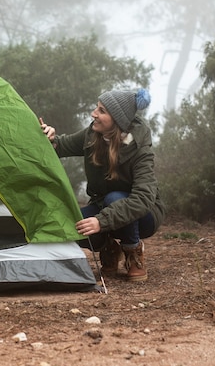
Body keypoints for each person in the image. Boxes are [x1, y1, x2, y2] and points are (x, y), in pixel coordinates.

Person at [40, 88, 166, 281]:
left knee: (114, 198)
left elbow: (142, 199)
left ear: (116, 120)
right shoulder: (92, 134)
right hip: (103, 208)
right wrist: (50, 139)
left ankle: (133, 251)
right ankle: (110, 247)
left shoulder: (140, 150)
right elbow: (62, 145)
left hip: (144, 215)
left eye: (101, 111)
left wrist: (101, 222)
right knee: (69, 225)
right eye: (96, 108)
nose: (94, 114)